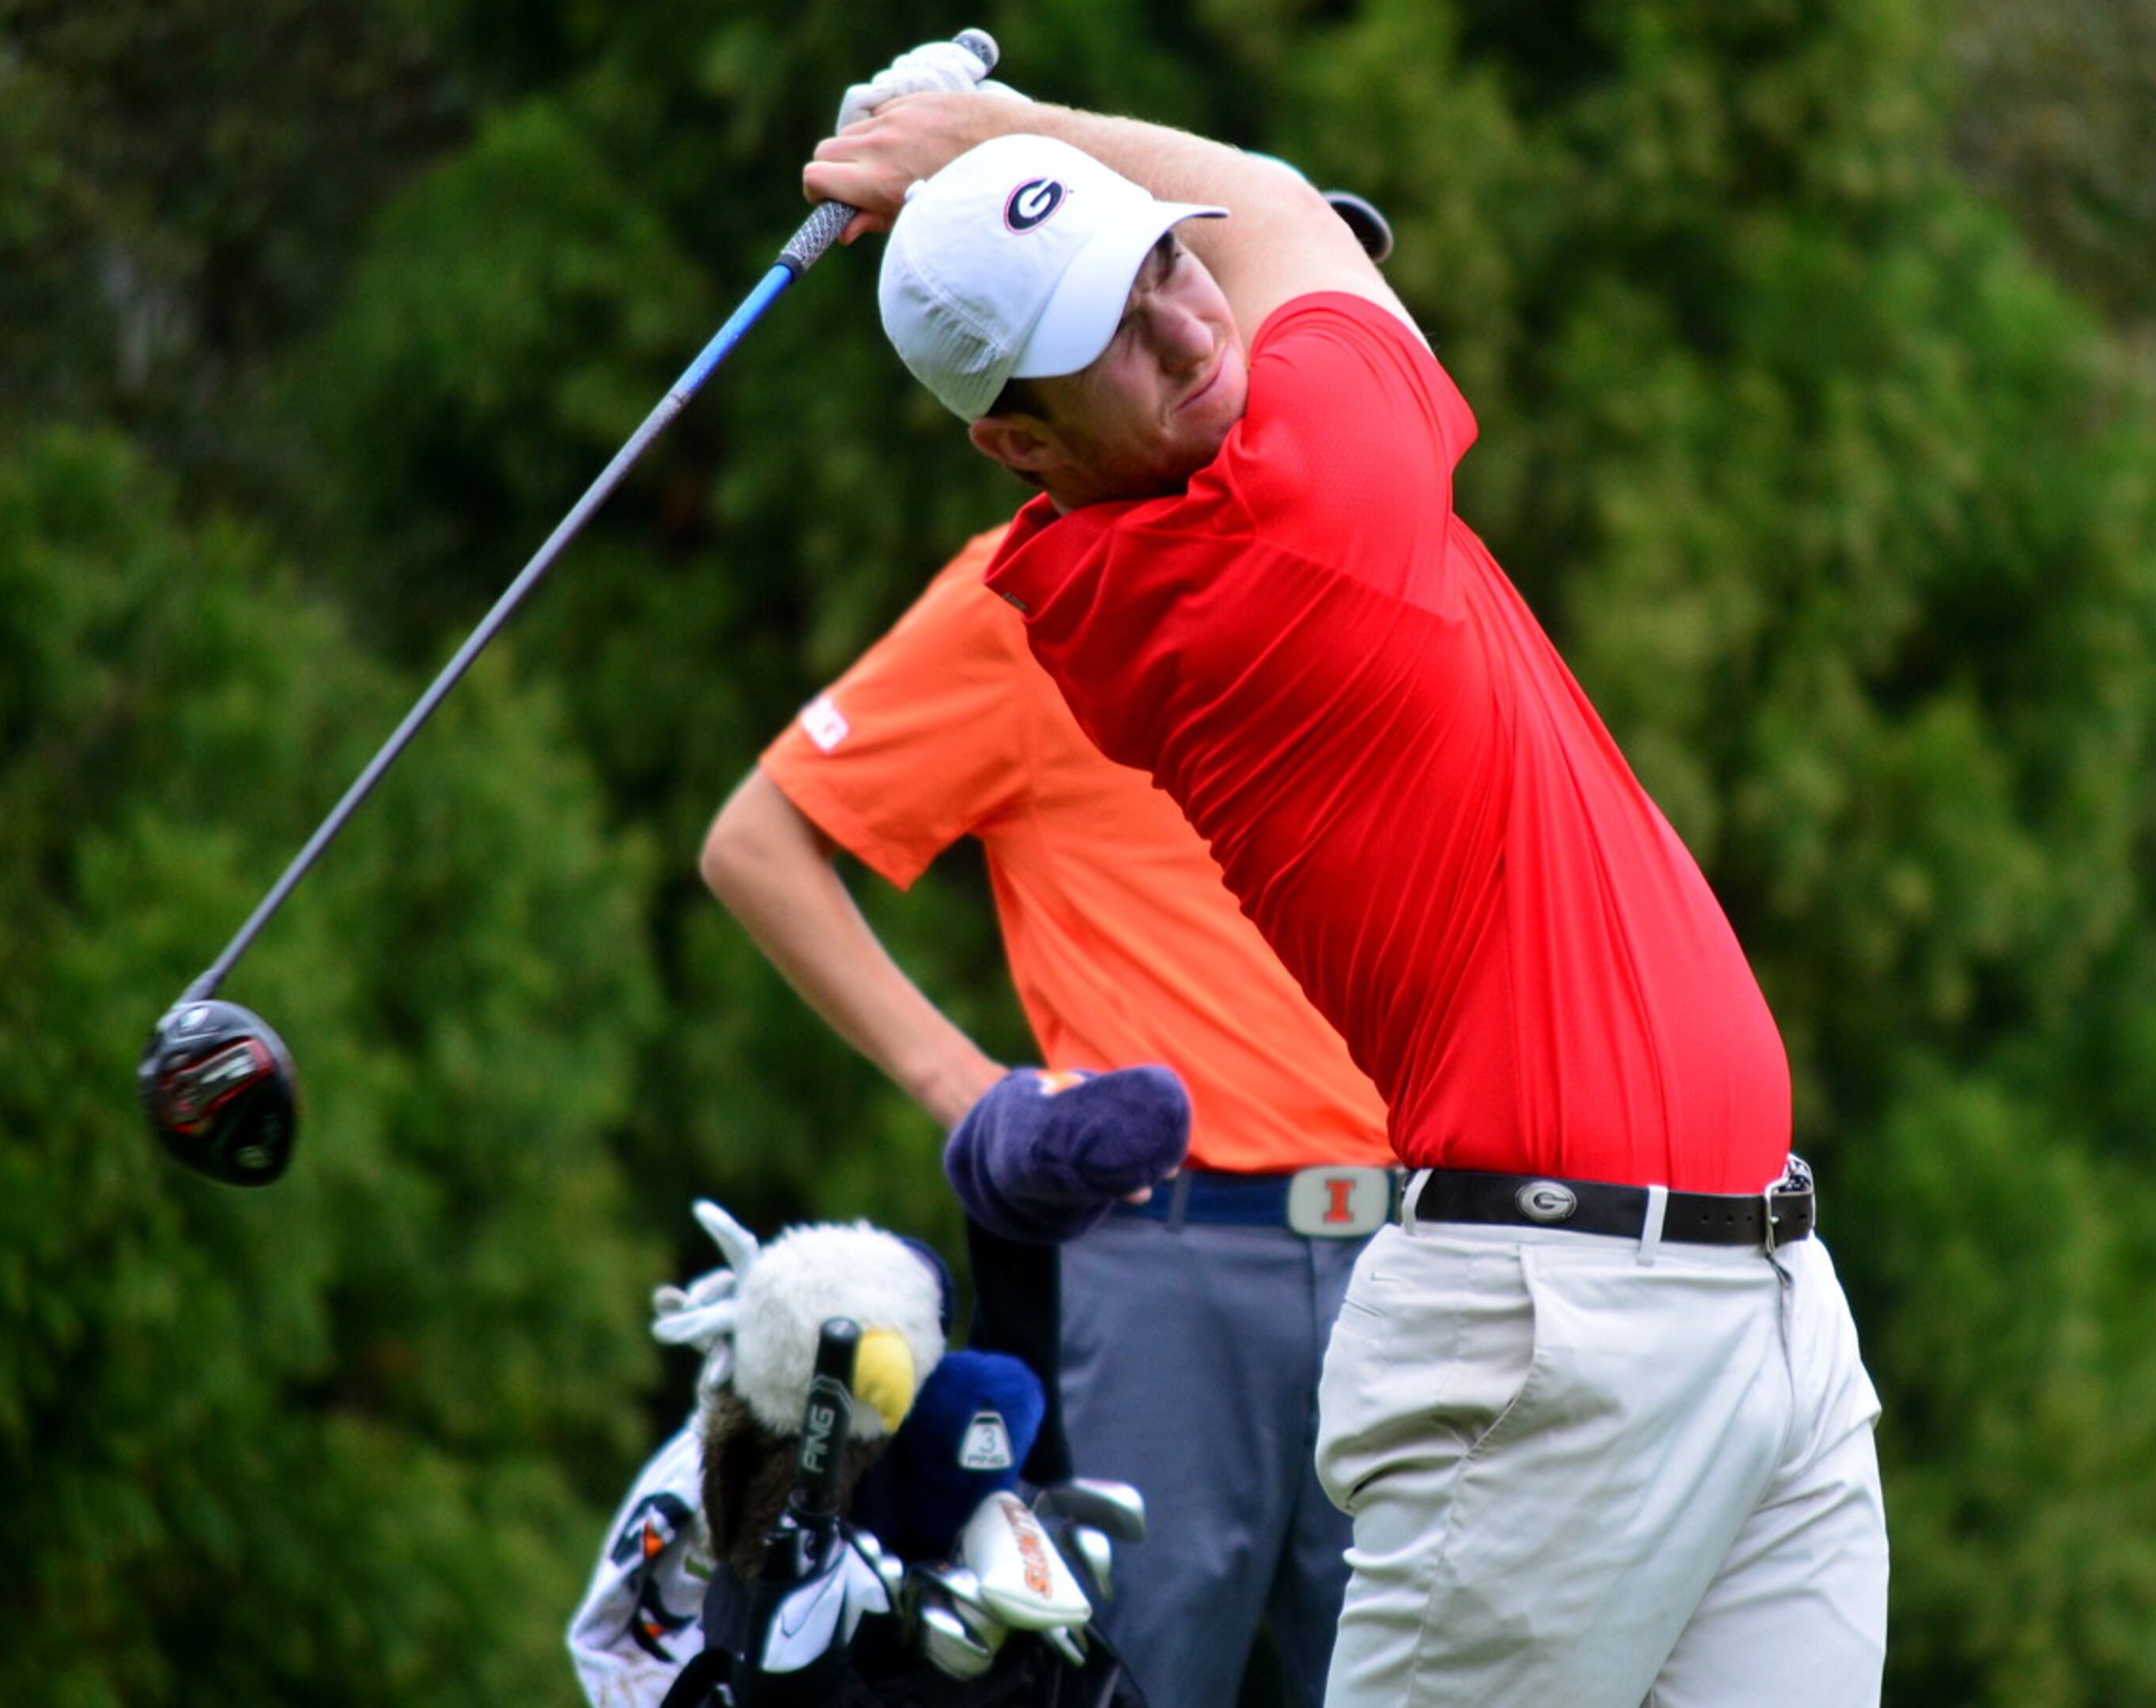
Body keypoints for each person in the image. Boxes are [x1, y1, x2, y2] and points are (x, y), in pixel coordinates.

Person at [802, 75, 1890, 1708]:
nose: (1181, 326)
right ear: (1018, 444)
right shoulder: (1289, 527)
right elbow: (1284, 203)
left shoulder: (1199, 494)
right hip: (1555, 1346)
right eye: (1108, 329)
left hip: (1761, 1307)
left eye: (1166, 263)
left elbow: (1254, 228)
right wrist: (997, 123)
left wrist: (1020, 164)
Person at [703, 527, 1398, 1706]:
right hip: (1163, 1264)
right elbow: (756, 846)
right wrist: (967, 1090)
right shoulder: (1033, 588)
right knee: (1113, 1685)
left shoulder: (1362, 555)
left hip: (1416, 1248)